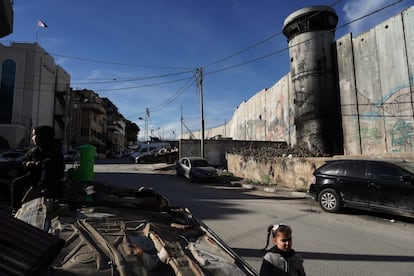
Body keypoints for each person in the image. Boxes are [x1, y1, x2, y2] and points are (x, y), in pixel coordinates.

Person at [11, 125, 65, 210]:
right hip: (33, 176)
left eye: (35, 135)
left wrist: (41, 164)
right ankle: (16, 208)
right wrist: (27, 164)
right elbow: (22, 162)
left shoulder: (54, 151)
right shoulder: (34, 151)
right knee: (17, 182)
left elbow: (58, 168)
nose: (33, 138)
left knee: (48, 163)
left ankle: (44, 190)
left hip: (50, 180)